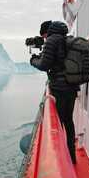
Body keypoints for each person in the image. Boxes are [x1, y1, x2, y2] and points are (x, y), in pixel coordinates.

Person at [30, 21, 79, 164]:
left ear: (47, 32)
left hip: (59, 89)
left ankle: (60, 159)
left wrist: (33, 60)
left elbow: (45, 64)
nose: (44, 39)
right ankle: (71, 156)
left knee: (57, 123)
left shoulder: (52, 40)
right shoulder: (66, 39)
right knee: (68, 121)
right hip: (72, 87)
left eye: (44, 36)